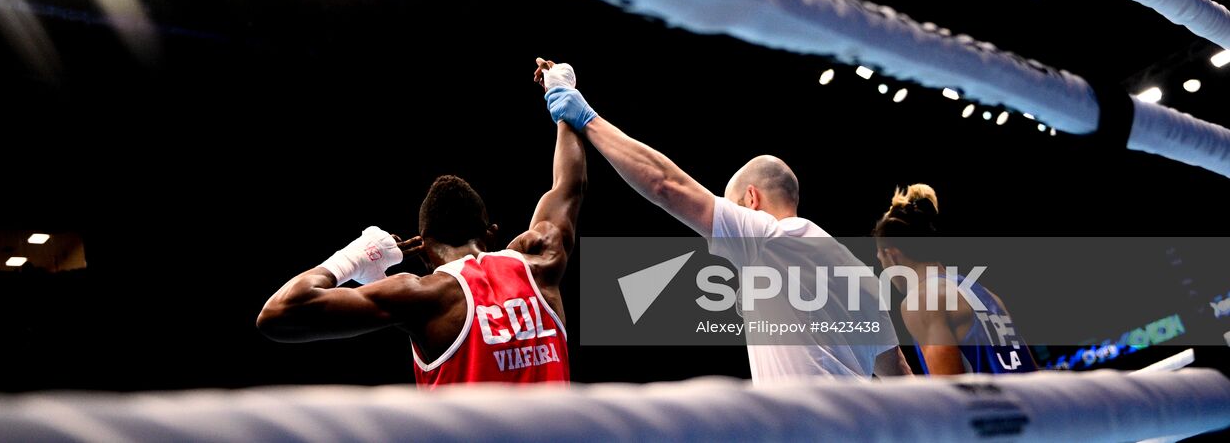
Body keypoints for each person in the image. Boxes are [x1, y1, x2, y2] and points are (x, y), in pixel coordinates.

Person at [537, 58, 910, 381]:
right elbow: (899, 375)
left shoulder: (767, 237)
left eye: (732, 205)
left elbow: (665, 184)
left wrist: (584, 116)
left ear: (751, 199)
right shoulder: (857, 272)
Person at [256, 77, 587, 386]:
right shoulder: (542, 263)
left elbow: (277, 314)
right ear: (491, 234)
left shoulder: (424, 296)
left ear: (425, 250)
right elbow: (569, 186)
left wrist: (355, 257)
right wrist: (560, 93)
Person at [873, 184, 1037, 375]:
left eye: (881, 260)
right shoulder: (987, 295)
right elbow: (1031, 373)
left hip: (991, 405)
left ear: (892, 255)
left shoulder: (923, 300)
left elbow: (952, 388)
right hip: (1035, 403)